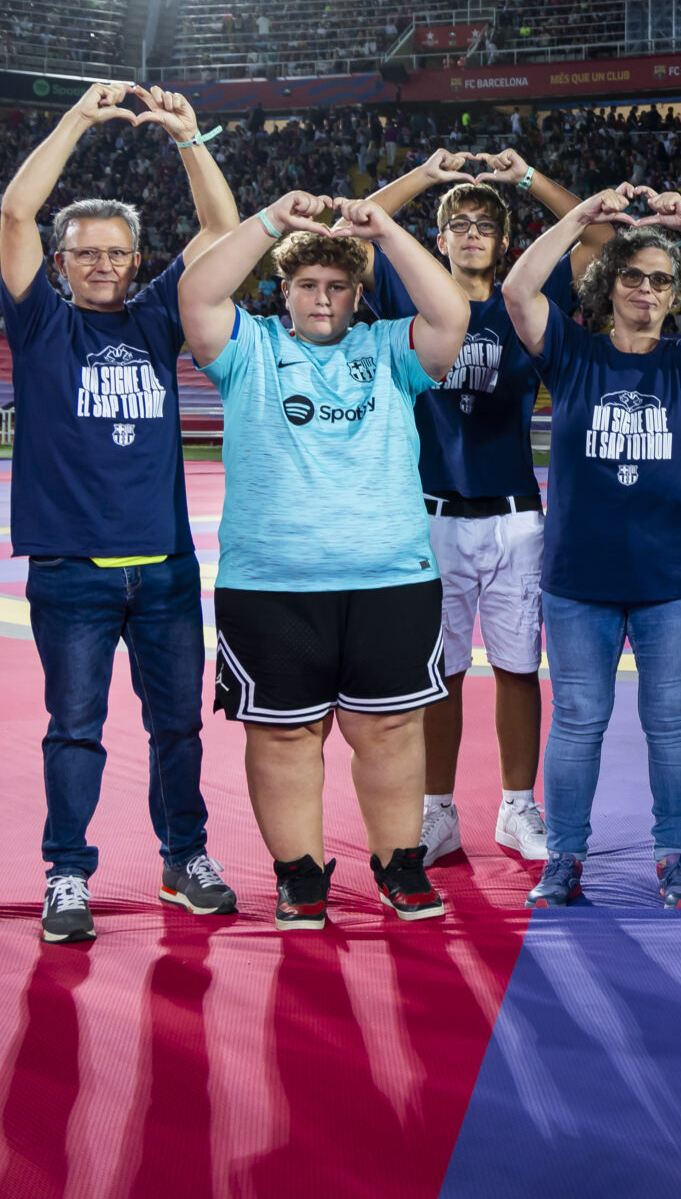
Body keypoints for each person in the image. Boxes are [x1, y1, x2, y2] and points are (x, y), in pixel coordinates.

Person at [179, 191, 470, 929]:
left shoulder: (389, 349)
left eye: (338, 286)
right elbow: (199, 292)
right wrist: (273, 220)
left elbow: (451, 317)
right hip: (272, 583)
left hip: (391, 578)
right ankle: (300, 877)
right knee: (283, 736)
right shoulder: (248, 348)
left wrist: (389, 231)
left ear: (358, 295)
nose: (323, 297)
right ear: (285, 289)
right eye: (307, 284)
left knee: (392, 731)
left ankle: (400, 866)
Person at [0, 82, 241, 943]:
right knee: (76, 729)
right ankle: (67, 872)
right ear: (60, 262)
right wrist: (78, 117)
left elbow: (222, 230)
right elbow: (17, 211)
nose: (101, 263)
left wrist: (189, 137)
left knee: (177, 726)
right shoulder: (39, 327)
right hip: (71, 572)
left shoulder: (153, 321)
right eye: (84, 251)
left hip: (166, 567)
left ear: (136, 260)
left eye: (115, 251)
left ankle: (186, 855)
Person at [503, 186, 681, 910]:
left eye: (660, 279)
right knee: (578, 718)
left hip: (672, 578)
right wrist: (580, 219)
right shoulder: (572, 354)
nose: (646, 289)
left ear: (674, 293)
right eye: (633, 275)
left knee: (673, 719)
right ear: (607, 283)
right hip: (579, 576)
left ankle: (676, 854)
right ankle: (565, 856)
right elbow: (519, 288)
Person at [365, 147, 606, 868]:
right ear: (438, 238)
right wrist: (431, 175)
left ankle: (515, 807)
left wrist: (526, 177)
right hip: (432, 512)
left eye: (484, 225)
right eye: (457, 223)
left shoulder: (523, 303)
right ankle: (438, 812)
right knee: (439, 670)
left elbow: (593, 236)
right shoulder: (413, 296)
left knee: (516, 667)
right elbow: (364, 224)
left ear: (503, 242)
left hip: (513, 515)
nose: (471, 234)